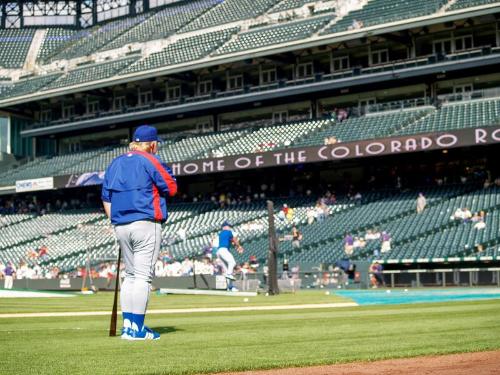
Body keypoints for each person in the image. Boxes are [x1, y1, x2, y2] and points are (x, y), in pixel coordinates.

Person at [102, 124, 177, 341]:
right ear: (152, 144)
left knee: (131, 276)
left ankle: (128, 327)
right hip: (145, 221)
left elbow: (106, 197)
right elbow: (171, 187)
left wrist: (116, 222)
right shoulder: (150, 159)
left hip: (120, 224)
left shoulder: (115, 163)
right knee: (143, 277)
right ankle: (138, 329)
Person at [216, 221, 244, 292]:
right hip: (223, 250)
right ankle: (229, 275)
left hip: (219, 252)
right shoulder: (228, 232)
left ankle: (230, 287)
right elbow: (234, 239)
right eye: (228, 226)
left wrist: (235, 245)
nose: (229, 227)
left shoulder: (221, 233)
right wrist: (239, 246)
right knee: (232, 263)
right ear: (224, 227)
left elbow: (231, 240)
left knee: (228, 269)